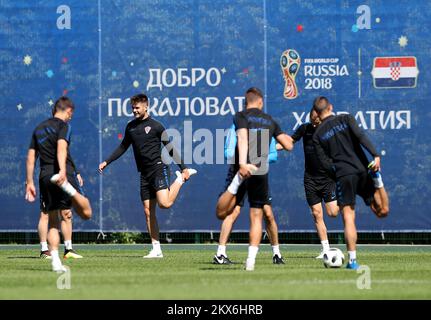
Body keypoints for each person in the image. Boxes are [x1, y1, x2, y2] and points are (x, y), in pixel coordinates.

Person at [99, 93, 196, 258]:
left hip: (158, 168)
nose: (134, 111)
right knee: (148, 211)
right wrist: (107, 162)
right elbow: (123, 147)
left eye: (137, 108)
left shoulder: (157, 126)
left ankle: (179, 179)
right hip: (144, 173)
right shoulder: (130, 127)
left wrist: (184, 168)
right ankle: (156, 249)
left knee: (164, 204)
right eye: (133, 108)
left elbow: (170, 148)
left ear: (146, 106)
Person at [312, 96, 389, 270]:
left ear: (316, 113)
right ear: (330, 107)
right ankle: (378, 180)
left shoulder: (317, 135)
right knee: (382, 211)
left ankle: (352, 261)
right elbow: (361, 137)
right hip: (362, 170)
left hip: (344, 176)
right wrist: (375, 155)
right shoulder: (346, 118)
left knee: (348, 217)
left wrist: (337, 174)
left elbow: (324, 164)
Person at [225, 87, 293, 271]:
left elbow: (242, 139)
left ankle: (275, 253)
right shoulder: (269, 120)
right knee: (256, 217)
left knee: (226, 210)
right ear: (261, 102)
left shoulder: (240, 116)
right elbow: (288, 145)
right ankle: (250, 261)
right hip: (259, 170)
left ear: (246, 102)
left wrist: (242, 163)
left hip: (243, 169)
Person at [25, 96, 92, 272]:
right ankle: (70, 189)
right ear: (68, 111)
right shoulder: (64, 126)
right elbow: (62, 148)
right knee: (86, 213)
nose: (71, 117)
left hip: (44, 176)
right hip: (61, 175)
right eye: (71, 114)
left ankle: (55, 259)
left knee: (53, 220)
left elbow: (31, 156)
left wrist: (29, 181)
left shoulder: (38, 129)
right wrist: (63, 171)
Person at [291, 108, 339, 259]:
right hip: (310, 179)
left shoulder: (329, 131)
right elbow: (289, 142)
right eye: (312, 119)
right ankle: (325, 249)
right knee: (317, 214)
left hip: (327, 179)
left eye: (316, 119)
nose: (314, 122)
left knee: (333, 213)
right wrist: (269, 149)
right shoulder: (304, 129)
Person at [214, 164, 284, 265]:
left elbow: (284, 149)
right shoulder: (239, 148)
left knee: (268, 213)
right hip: (241, 173)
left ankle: (277, 254)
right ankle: (220, 253)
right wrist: (243, 164)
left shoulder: (264, 148)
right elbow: (228, 153)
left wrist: (262, 159)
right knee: (233, 212)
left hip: (258, 174)